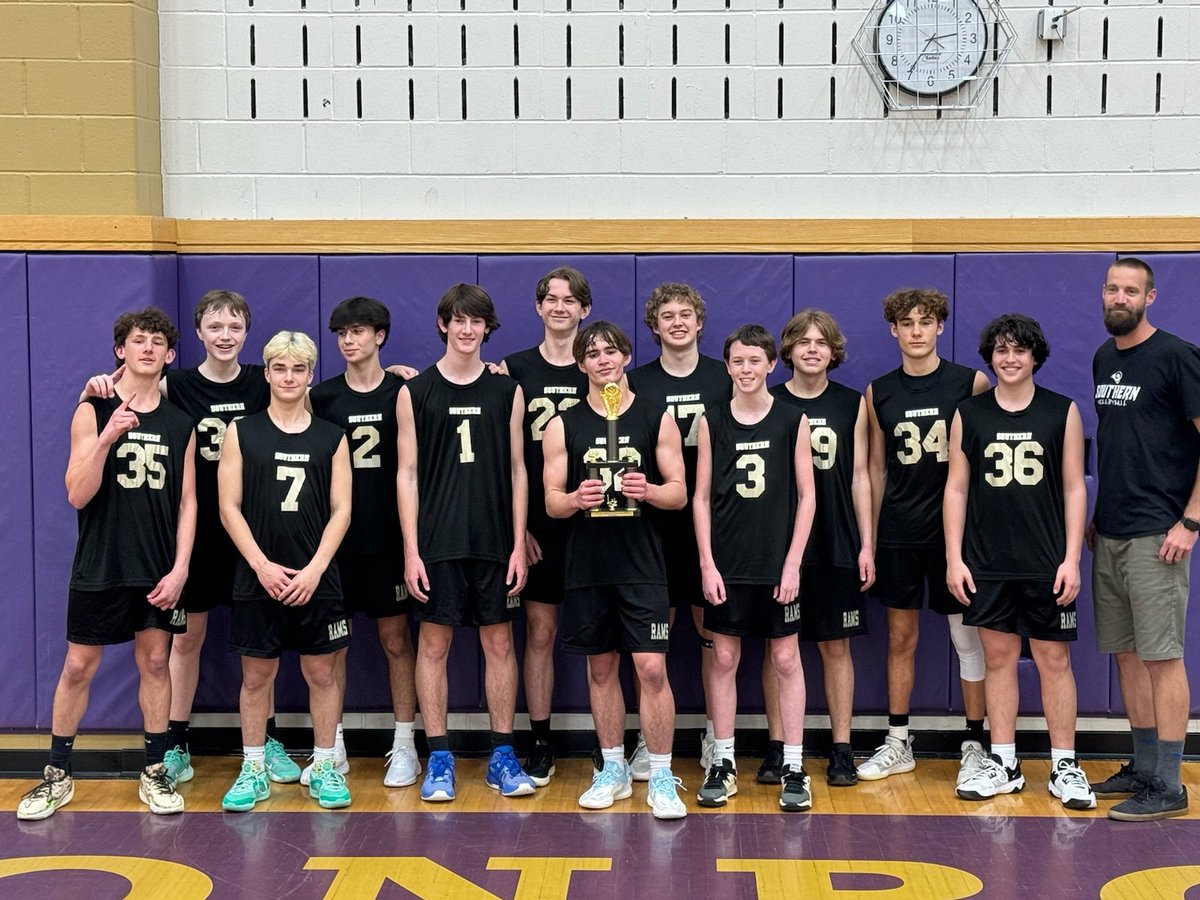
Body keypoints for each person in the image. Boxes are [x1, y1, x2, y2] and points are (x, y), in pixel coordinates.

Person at [78, 291, 297, 788]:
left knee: (261, 643)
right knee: (186, 639)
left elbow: (315, 402)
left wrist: (396, 376)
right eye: (215, 326)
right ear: (197, 335)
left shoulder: (263, 382)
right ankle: (175, 741)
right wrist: (97, 384)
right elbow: (126, 388)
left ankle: (269, 737)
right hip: (192, 533)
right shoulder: (175, 384)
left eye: (234, 327)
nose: (224, 335)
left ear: (246, 334)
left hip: (251, 529)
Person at [18, 307, 197, 821]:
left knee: (157, 663)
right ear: (121, 350)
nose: (147, 348)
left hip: (157, 565)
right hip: (101, 561)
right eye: (138, 340)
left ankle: (155, 770)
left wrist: (181, 567)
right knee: (78, 666)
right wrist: (107, 435)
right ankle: (56, 775)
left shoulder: (180, 422)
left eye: (157, 341)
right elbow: (77, 493)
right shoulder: (91, 408)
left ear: (169, 354)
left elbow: (189, 502)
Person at [944, 314, 1094, 809]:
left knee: (1054, 660)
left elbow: (1075, 487)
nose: (1010, 359)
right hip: (987, 561)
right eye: (1001, 350)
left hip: (1046, 559)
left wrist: (1072, 558)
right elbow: (957, 488)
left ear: (1035, 357)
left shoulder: (1061, 411)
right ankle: (1004, 761)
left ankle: (1064, 765)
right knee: (999, 660)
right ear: (990, 357)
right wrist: (953, 556)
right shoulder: (970, 412)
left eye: (1019, 350)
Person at [543, 320, 689, 819]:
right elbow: (551, 502)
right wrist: (573, 500)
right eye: (592, 353)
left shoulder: (656, 417)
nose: (602, 359)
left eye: (611, 351)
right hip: (588, 564)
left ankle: (664, 774)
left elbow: (679, 492)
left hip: (642, 562)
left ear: (625, 357)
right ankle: (611, 767)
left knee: (650, 667)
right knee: (601, 668)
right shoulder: (563, 424)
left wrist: (647, 490)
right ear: (580, 363)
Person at [397, 283, 533, 803]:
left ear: (487, 328)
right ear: (443, 324)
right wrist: (411, 549)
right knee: (433, 644)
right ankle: (439, 758)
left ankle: (502, 754)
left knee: (499, 643)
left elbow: (519, 470)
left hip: (496, 540)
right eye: (458, 320)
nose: (468, 329)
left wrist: (519, 542)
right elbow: (405, 474)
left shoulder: (507, 390)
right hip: (438, 541)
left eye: (477, 321)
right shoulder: (416, 392)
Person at [217, 331, 353, 812]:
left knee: (322, 673)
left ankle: (325, 765)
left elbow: (341, 511)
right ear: (268, 372)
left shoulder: (332, 436)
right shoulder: (242, 431)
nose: (289, 377)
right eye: (279, 368)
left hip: (318, 578)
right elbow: (228, 507)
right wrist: (260, 566)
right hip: (259, 577)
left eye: (298, 369)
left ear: (310, 374)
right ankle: (253, 766)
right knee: (256, 676)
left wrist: (316, 569)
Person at [860, 288, 991, 787]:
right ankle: (899, 740)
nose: (916, 331)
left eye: (926, 321)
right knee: (900, 637)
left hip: (954, 535)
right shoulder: (879, 392)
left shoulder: (970, 382)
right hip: (900, 531)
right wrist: (870, 541)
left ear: (940, 327)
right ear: (894, 330)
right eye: (907, 323)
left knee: (965, 637)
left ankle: (975, 742)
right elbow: (874, 469)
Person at [1089, 257, 1200, 821]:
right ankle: (1142, 765)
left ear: (1150, 298)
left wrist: (1191, 521)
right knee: (1128, 656)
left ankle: (1171, 783)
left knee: (1162, 657)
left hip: (1159, 534)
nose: (1119, 297)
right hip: (1109, 531)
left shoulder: (1177, 357)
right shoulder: (1104, 357)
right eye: (1112, 288)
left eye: (1130, 290)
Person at [693, 325, 816, 811]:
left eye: (754, 361)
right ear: (728, 367)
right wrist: (706, 562)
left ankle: (794, 764)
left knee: (785, 659)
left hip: (776, 564)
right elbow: (700, 498)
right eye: (737, 361)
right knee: (723, 659)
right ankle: (722, 762)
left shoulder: (792, 420)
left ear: (771, 365)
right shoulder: (712, 421)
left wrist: (793, 563)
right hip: (727, 562)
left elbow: (808, 497)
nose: (746, 369)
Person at [310, 296, 419, 788]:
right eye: (342, 333)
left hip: (388, 541)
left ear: (380, 336)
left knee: (396, 640)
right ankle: (331, 749)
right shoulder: (323, 396)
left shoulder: (404, 391)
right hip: (335, 543)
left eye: (359, 331)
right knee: (332, 648)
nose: (349, 340)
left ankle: (403, 743)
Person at [628, 283, 730, 777]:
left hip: (714, 524)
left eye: (685, 314)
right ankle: (654, 739)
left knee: (713, 634)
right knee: (654, 636)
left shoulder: (726, 377)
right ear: (654, 327)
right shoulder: (635, 383)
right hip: (655, 526)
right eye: (666, 315)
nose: (676, 322)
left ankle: (716, 735)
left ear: (700, 322)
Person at [771, 310, 876, 788]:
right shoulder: (767, 402)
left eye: (821, 342)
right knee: (779, 650)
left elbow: (861, 477)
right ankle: (777, 749)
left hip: (836, 540)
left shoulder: (853, 404)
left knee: (836, 648)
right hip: (779, 545)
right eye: (802, 341)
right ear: (787, 350)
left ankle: (841, 749)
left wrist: (866, 543)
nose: (812, 348)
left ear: (834, 351)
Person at [499, 267, 592, 786]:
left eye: (570, 299)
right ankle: (540, 739)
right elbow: (503, 458)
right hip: (537, 526)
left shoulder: (602, 368)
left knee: (605, 634)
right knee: (540, 631)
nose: (560, 307)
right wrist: (520, 527)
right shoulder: (510, 370)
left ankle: (613, 743)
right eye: (550, 299)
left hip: (596, 522)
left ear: (584, 309)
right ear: (538, 308)